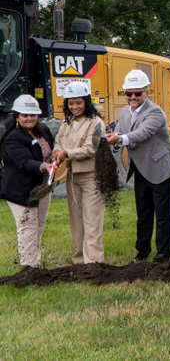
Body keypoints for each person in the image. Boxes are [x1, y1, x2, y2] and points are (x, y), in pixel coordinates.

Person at [106, 69, 170, 263]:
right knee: (144, 213)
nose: (132, 97)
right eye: (128, 93)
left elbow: (142, 133)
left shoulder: (155, 112)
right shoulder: (124, 112)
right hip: (140, 168)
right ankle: (142, 252)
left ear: (146, 92)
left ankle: (163, 254)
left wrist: (119, 138)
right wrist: (113, 139)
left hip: (161, 167)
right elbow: (120, 132)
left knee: (163, 215)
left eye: (137, 93)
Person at [52, 81, 107, 264]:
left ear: (86, 102)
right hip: (72, 176)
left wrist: (67, 153)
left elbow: (91, 148)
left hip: (91, 176)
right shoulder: (66, 124)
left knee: (92, 220)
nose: (75, 107)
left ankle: (93, 263)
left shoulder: (95, 123)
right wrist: (57, 153)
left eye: (78, 102)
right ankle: (78, 260)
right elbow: (58, 142)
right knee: (76, 220)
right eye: (71, 103)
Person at [0, 95, 55, 268]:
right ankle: (28, 267)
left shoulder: (43, 130)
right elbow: (24, 162)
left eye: (33, 114)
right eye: (25, 115)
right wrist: (43, 166)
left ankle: (35, 262)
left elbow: (50, 149)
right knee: (27, 227)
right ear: (16, 116)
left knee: (38, 226)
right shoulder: (13, 138)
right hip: (20, 191)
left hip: (41, 188)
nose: (29, 118)